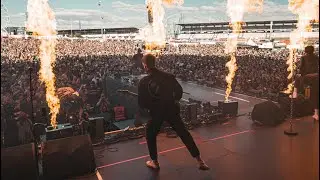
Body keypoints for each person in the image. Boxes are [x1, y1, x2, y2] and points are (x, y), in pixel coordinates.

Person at [138, 53, 209, 170]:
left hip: (156, 113)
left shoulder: (144, 82)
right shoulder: (169, 76)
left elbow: (142, 104)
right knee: (184, 133)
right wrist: (173, 101)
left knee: (150, 134)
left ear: (145, 66)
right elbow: (179, 92)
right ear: (154, 63)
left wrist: (151, 108)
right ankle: (200, 160)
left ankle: (154, 162)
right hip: (171, 110)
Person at [294, 45, 319, 120]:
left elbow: (301, 68)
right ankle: (316, 114)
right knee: (315, 95)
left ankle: (295, 93)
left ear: (305, 51)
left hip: (308, 77)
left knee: (297, 78)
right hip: (316, 76)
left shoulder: (303, 58)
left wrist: (301, 74)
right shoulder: (316, 57)